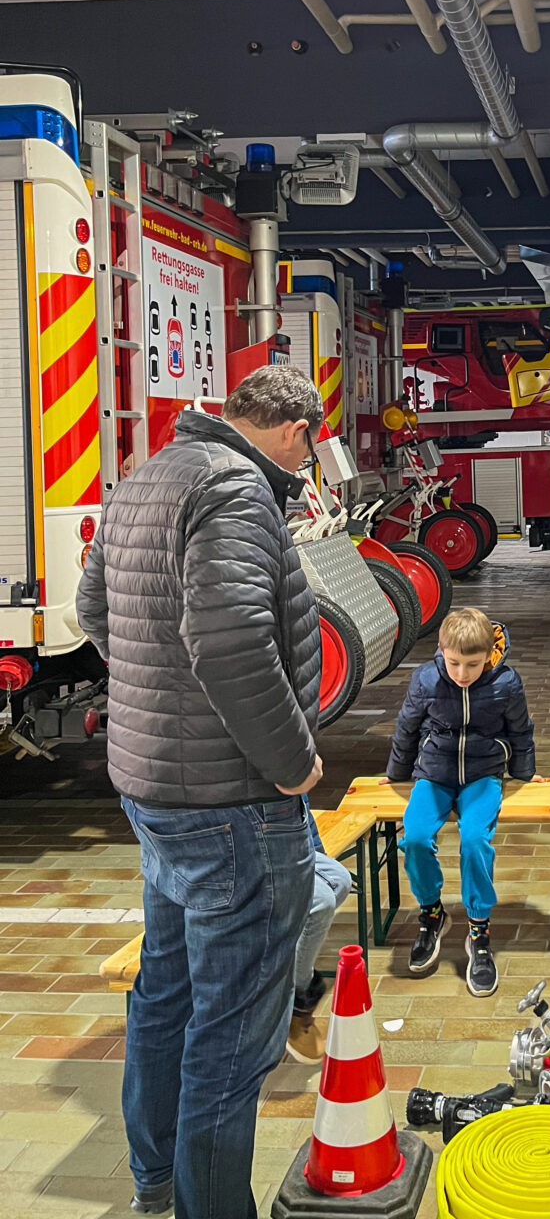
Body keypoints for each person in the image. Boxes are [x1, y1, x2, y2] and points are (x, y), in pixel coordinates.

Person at [75, 365, 326, 1219]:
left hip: (156, 792)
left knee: (166, 992)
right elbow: (230, 646)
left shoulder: (149, 475)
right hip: (235, 804)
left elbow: (96, 612)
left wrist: (160, 706)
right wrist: (292, 761)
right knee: (232, 1030)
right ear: (293, 431)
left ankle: (155, 1185)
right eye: (308, 448)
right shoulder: (237, 490)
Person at [385, 607, 535, 997]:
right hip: (434, 773)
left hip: (483, 774)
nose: (463, 673)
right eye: (454, 663)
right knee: (415, 837)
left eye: (473, 664)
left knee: (474, 841)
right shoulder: (427, 680)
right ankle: (432, 913)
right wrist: (397, 773)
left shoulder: (506, 682)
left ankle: (479, 930)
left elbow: (520, 730)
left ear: (489, 654)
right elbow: (407, 726)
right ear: (441, 651)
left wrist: (523, 773)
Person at [286, 799, 354, 1064]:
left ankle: (284, 969)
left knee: (340, 880)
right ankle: (296, 1000)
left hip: (294, 846)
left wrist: (315, 852)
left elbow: (299, 801)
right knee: (320, 903)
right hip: (254, 852)